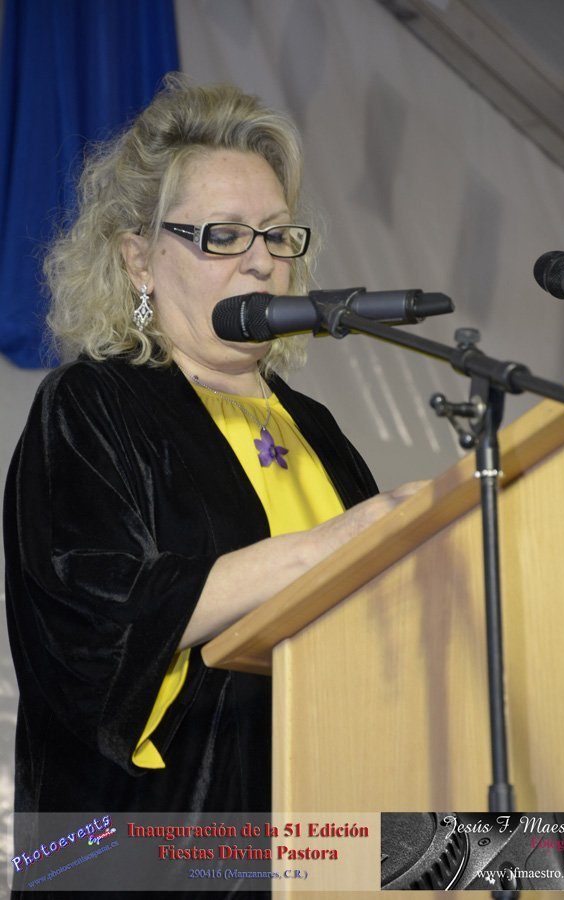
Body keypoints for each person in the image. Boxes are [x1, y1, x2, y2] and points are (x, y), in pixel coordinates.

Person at [4, 74, 417, 896]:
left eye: (276, 235)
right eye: (223, 237)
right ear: (139, 260)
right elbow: (101, 629)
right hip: (143, 865)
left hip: (322, 854)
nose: (262, 262)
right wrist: (334, 546)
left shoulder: (316, 431)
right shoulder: (92, 406)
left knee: (538, 851)